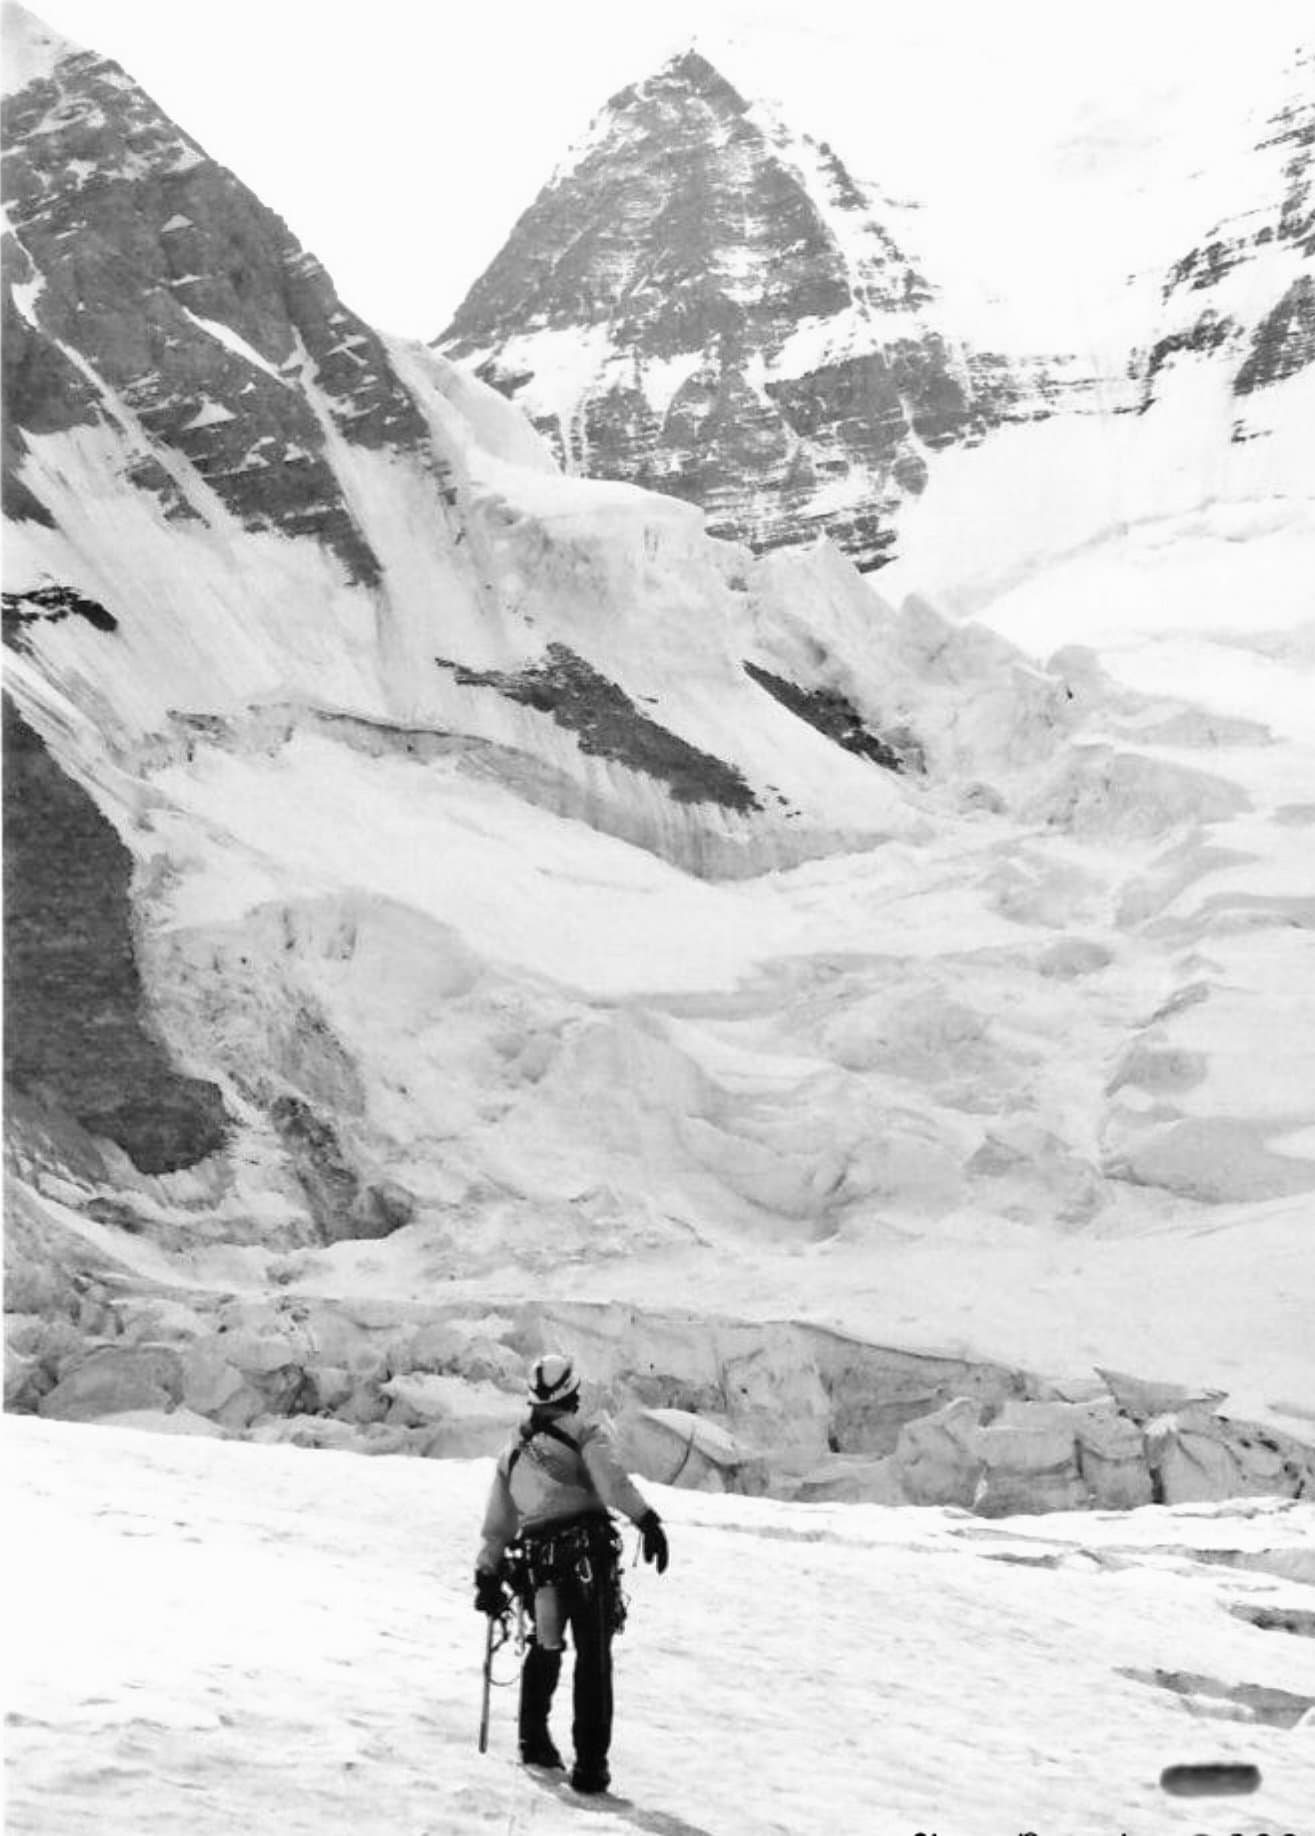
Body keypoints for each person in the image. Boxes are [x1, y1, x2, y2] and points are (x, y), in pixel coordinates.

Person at [473, 1352, 669, 1794]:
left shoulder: (511, 1452)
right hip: (587, 1560)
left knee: (545, 1646)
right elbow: (611, 1484)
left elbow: (498, 1524)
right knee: (593, 1657)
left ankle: (533, 1740)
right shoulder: (584, 1433)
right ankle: (590, 1766)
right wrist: (647, 1520)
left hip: (539, 1567)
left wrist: (487, 1572)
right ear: (572, 1394)